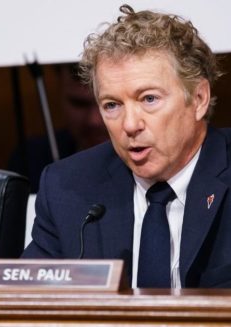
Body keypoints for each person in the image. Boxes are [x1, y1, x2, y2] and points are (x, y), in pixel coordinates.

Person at [23, 4, 230, 288]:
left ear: (198, 99)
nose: (130, 125)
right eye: (112, 105)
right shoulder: (67, 189)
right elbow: (27, 301)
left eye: (149, 99)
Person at [8, 63, 109, 192]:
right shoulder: (30, 159)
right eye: (78, 104)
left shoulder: (141, 160)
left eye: (109, 104)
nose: (93, 120)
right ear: (59, 90)